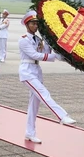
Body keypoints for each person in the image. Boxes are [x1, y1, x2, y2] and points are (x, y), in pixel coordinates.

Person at [19, 10, 76, 144]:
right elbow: (34, 55)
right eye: (32, 23)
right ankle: (62, 116)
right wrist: (53, 57)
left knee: (34, 104)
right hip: (27, 71)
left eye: (36, 23)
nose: (35, 26)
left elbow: (45, 52)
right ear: (27, 25)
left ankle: (30, 132)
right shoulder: (23, 40)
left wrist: (50, 42)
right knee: (44, 93)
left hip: (36, 71)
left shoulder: (38, 39)